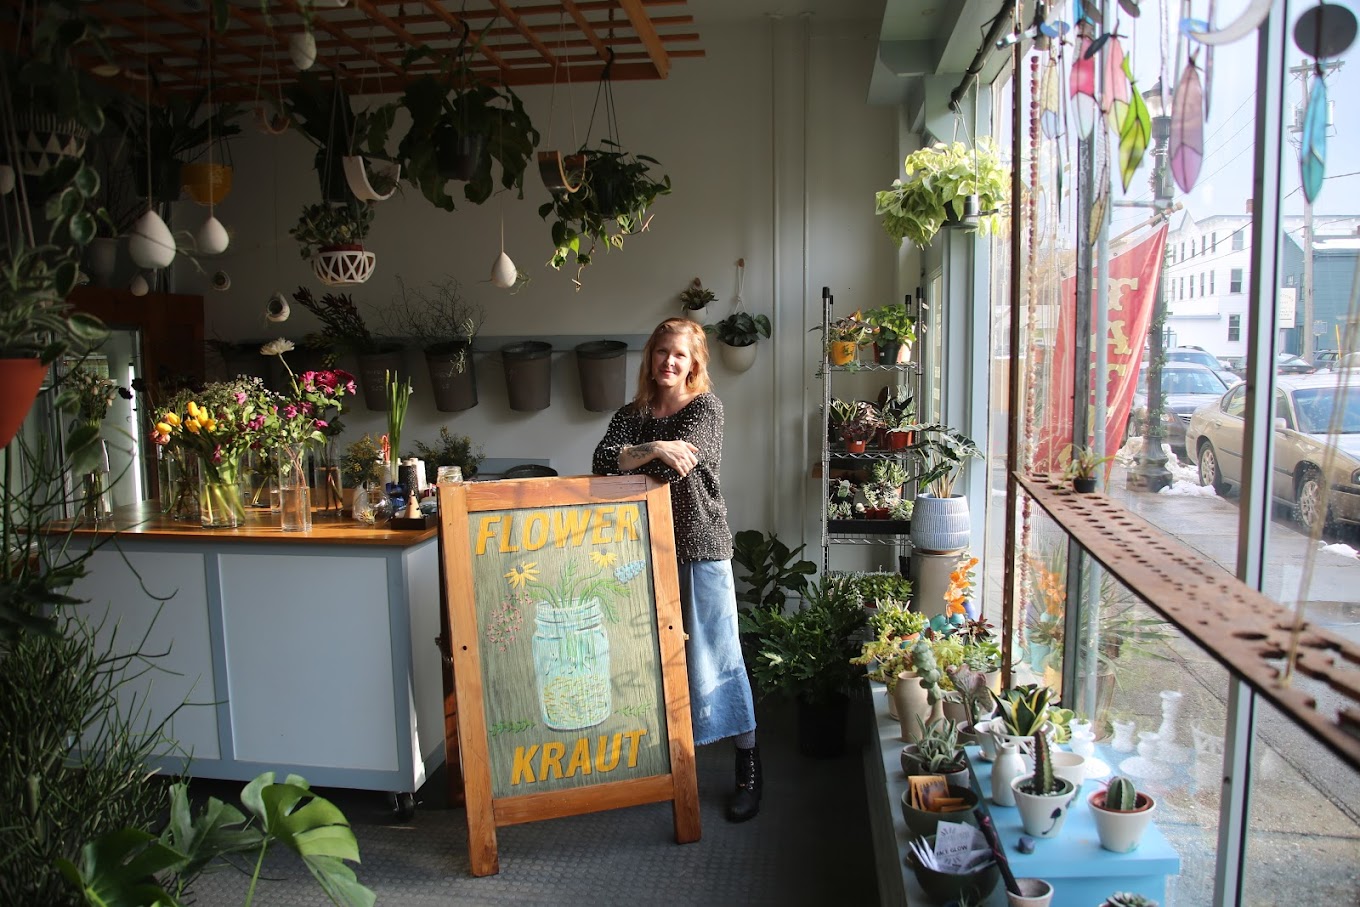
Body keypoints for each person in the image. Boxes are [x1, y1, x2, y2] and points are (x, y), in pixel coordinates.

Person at [591, 318, 761, 823]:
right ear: (650, 358)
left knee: (717, 651)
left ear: (694, 364)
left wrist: (648, 454)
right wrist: (655, 447)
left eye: (680, 355)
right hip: (642, 549)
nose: (669, 361)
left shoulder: (706, 408)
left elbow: (677, 465)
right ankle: (659, 764)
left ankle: (748, 763)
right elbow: (600, 461)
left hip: (700, 547)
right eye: (662, 352)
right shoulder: (632, 413)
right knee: (645, 654)